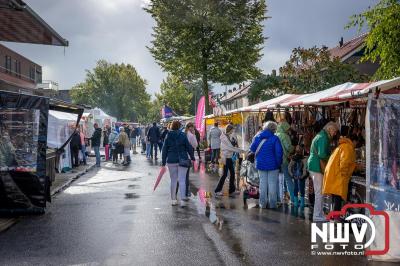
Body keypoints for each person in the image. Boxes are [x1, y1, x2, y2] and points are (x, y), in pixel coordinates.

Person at [307, 121, 339, 222]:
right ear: (330, 129)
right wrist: (333, 157)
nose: (335, 133)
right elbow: (322, 155)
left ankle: (319, 213)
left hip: (313, 165)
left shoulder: (321, 135)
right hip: (316, 166)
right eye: (334, 131)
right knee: (319, 192)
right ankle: (317, 215)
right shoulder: (323, 137)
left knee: (319, 191)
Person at [323, 126, 357, 213]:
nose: (356, 145)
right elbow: (344, 163)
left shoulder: (343, 146)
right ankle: (336, 219)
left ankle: (334, 218)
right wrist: (344, 175)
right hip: (338, 175)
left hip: (334, 174)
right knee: (337, 197)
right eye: (356, 143)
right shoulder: (348, 147)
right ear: (354, 141)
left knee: (335, 198)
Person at [250, 121, 283, 209]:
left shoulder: (258, 136)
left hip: (260, 164)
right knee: (272, 184)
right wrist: (279, 163)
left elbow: (252, 148)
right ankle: (272, 204)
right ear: (273, 129)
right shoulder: (275, 138)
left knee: (262, 184)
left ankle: (262, 204)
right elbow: (279, 152)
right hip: (273, 165)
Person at [162, 120, 195, 207]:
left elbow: (164, 149)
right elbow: (189, 147)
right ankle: (183, 200)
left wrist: (163, 162)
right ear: (179, 127)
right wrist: (192, 157)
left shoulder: (168, 136)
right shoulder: (183, 135)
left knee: (173, 180)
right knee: (182, 180)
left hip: (171, 160)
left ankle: (173, 200)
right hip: (183, 160)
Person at [214, 125, 243, 197]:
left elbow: (232, 147)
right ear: (229, 130)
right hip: (225, 158)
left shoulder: (227, 137)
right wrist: (242, 151)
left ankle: (232, 190)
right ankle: (217, 190)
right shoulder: (224, 138)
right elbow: (231, 148)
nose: (233, 132)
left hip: (228, 158)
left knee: (232, 174)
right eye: (232, 130)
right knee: (224, 175)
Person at [276, 121, 294, 204]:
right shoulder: (285, 136)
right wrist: (294, 148)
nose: (288, 130)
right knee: (288, 179)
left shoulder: (275, 135)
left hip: (275, 161)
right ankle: (293, 198)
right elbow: (289, 148)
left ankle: (278, 199)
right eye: (287, 129)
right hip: (284, 160)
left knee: (276, 180)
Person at [183, 123, 198, 198]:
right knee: (186, 176)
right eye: (193, 127)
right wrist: (194, 134)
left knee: (181, 176)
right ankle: (186, 192)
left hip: (181, 156)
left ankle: (181, 192)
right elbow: (195, 145)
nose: (194, 128)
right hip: (188, 157)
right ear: (190, 128)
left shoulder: (183, 133)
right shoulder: (191, 135)